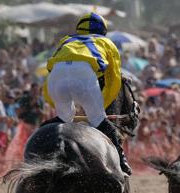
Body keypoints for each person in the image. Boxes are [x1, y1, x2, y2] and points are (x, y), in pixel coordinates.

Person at [42, 12, 131, 175]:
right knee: (99, 120)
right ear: (103, 31)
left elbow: (50, 72)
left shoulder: (66, 40)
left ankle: (38, 153)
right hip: (83, 75)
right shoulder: (106, 42)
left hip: (56, 76)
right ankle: (122, 161)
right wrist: (100, 108)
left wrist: (54, 102)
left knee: (62, 120)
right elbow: (114, 79)